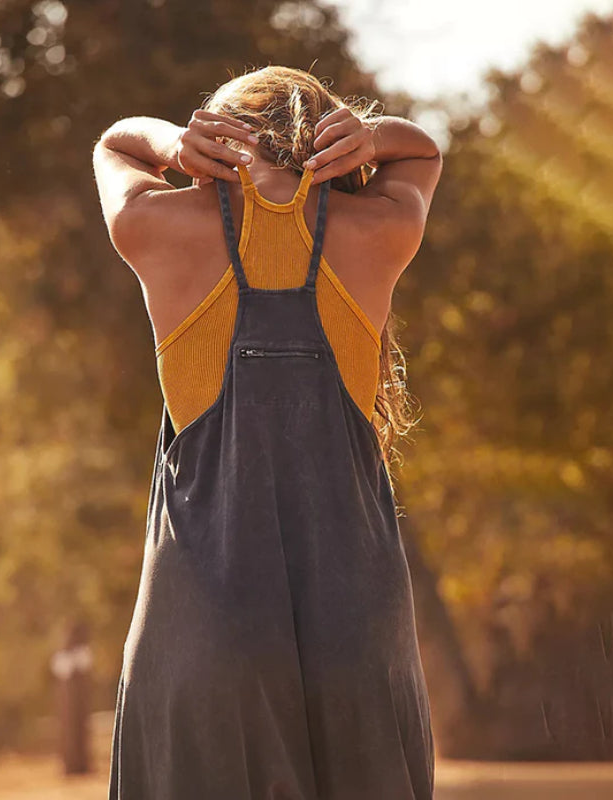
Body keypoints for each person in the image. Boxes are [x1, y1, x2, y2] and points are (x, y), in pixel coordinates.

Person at [93, 65, 443, 800]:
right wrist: (373, 134)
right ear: (327, 141)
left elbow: (112, 146)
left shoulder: (158, 228)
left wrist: (171, 143)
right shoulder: (379, 230)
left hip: (205, 632)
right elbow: (422, 155)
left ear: (216, 143)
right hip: (359, 632)